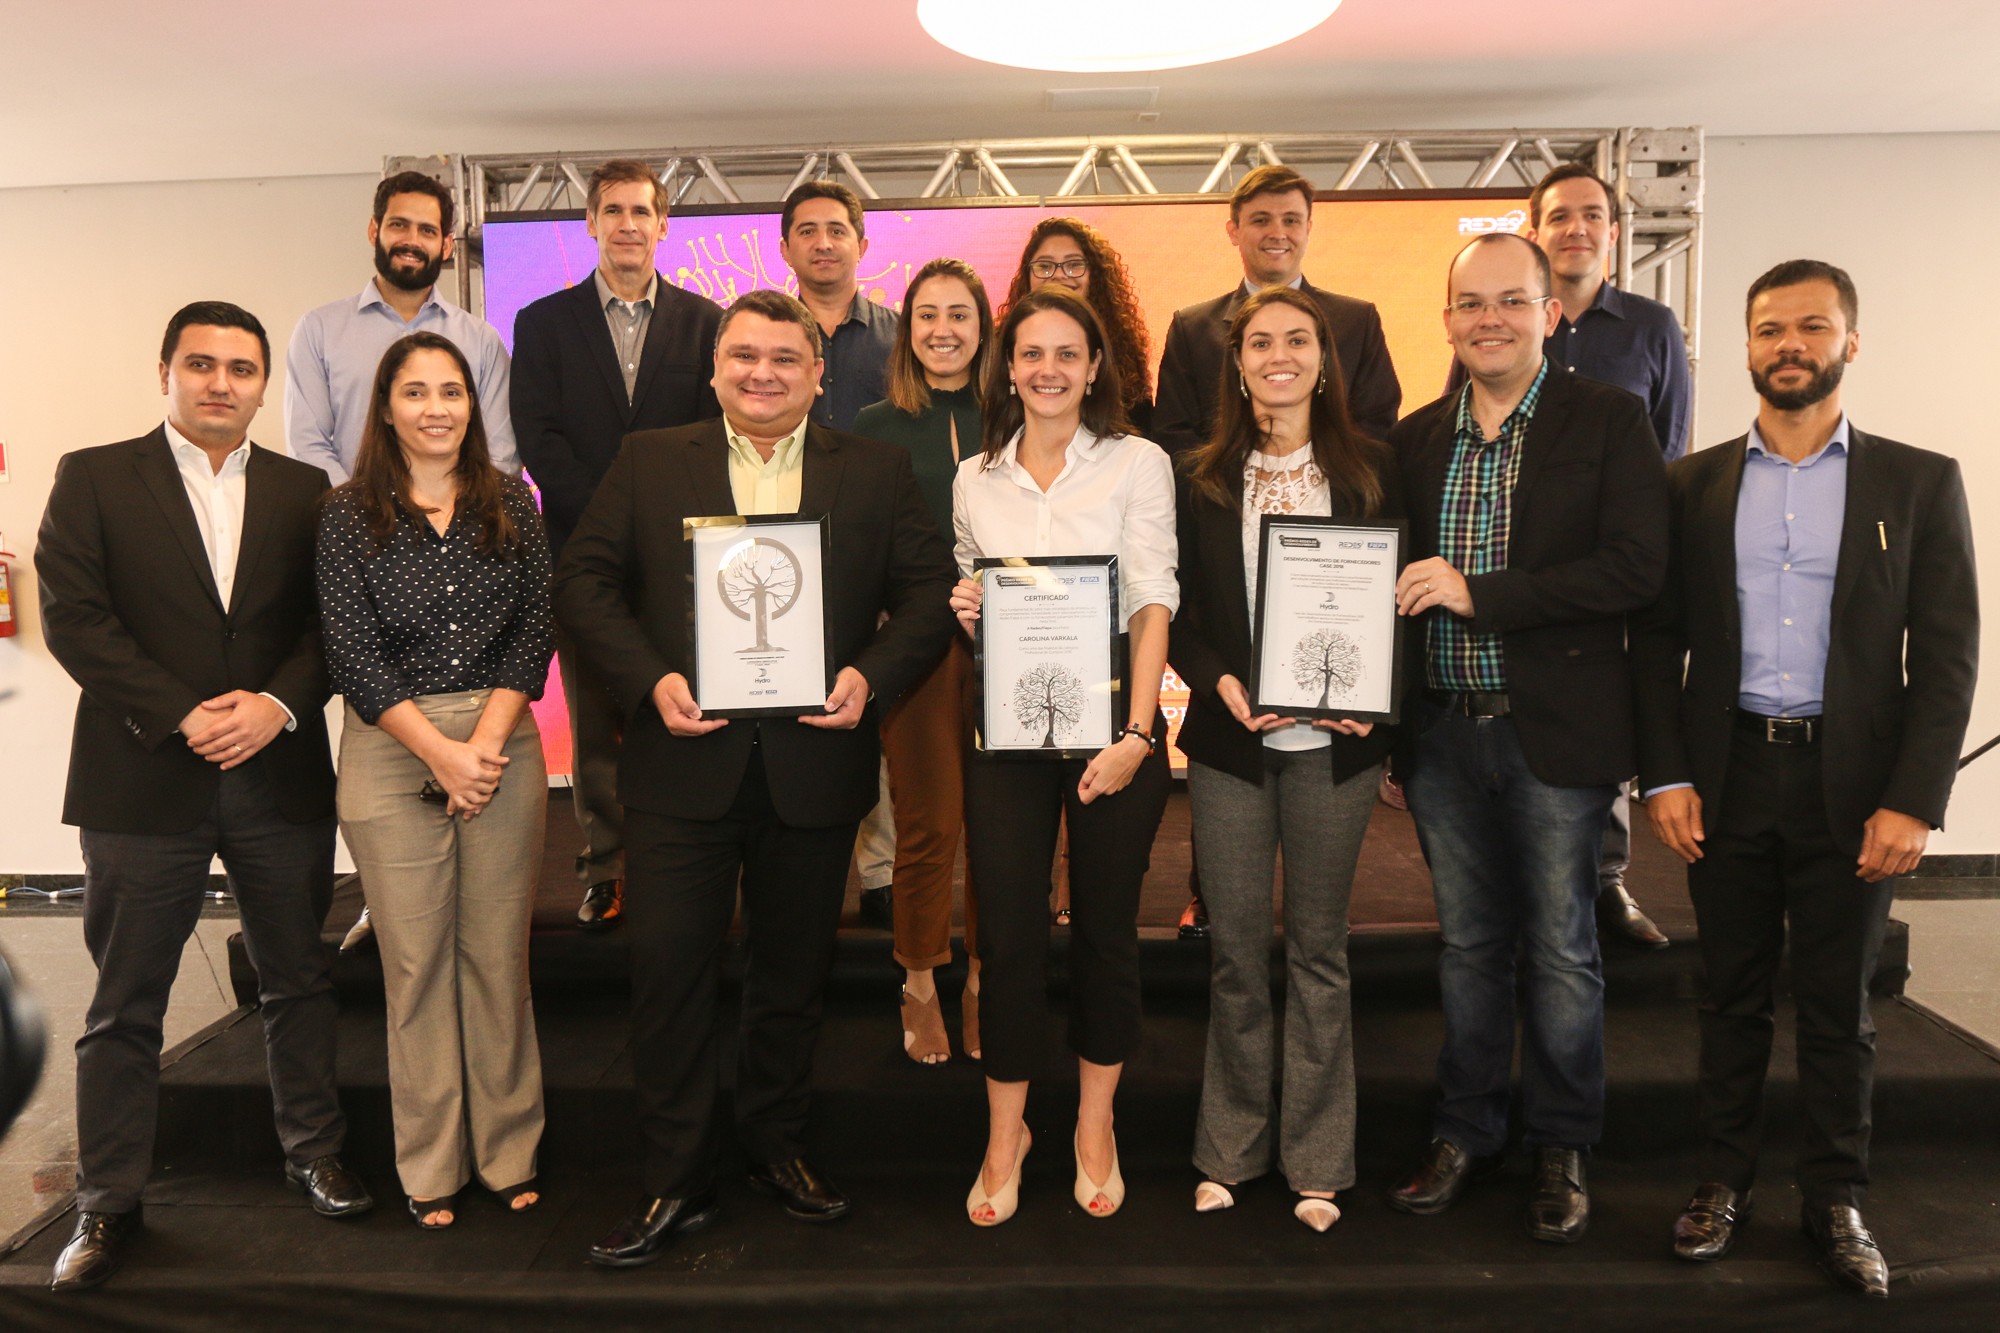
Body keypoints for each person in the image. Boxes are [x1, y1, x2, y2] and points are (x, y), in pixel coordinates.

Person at [556, 289, 957, 1267]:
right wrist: (650, 679)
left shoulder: (872, 469)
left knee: (789, 979)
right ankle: (674, 1175)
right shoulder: (651, 460)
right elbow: (583, 581)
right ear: (714, 366)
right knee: (668, 978)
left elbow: (926, 593)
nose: (762, 372)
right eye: (744, 355)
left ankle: (777, 1149)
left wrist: (872, 674)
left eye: (785, 358)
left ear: (820, 374)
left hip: (812, 767)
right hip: (679, 767)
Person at [1633, 261, 1978, 1299]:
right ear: (1742, 347)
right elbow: (1655, 646)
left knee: (1838, 1007)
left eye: (1811, 327)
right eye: (1769, 328)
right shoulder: (1688, 485)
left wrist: (1913, 798)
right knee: (1727, 997)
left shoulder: (1916, 481)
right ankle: (1719, 1181)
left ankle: (1834, 1198)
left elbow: (1947, 654)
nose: (1789, 343)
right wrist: (1665, 774)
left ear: (1848, 343)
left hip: (1855, 790)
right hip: (1726, 777)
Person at [37, 302, 371, 1291]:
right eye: (202, 364)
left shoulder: (307, 490)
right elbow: (76, 619)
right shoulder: (94, 475)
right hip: (143, 779)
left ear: (264, 383)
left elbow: (329, 625)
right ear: (167, 371)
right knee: (124, 1004)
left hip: (278, 777)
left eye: (240, 367)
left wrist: (274, 704)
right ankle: (107, 1205)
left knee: (296, 980)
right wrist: (187, 714)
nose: (221, 382)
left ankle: (313, 1151)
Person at [1382, 234, 1667, 1244]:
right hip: (1444, 740)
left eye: (1510, 300)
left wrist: (1480, 595)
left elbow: (1636, 568)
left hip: (1556, 737)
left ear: (1550, 311)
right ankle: (1465, 1131)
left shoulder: (1607, 419)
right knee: (1467, 949)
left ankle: (1559, 1144)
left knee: (1558, 949)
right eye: (1468, 303)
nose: (1487, 319)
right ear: (1446, 318)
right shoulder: (1415, 439)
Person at [1170, 287, 1403, 1232]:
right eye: (1259, 341)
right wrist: (1219, 680)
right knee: (1233, 954)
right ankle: (1228, 1149)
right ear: (1236, 362)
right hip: (1232, 743)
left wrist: (1374, 705)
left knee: (1318, 951)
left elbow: (1399, 604)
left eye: (1297, 339)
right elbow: (1176, 609)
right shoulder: (1200, 475)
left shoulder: (1377, 471)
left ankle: (1316, 1159)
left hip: (1336, 749)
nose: (1278, 354)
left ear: (1323, 356)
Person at [316, 331, 553, 1230]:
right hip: (391, 745)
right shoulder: (346, 513)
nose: (437, 408)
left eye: (451, 391)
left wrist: (482, 746)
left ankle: (509, 1149)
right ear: (386, 408)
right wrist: (441, 755)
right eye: (415, 393)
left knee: (497, 957)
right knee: (415, 965)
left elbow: (537, 627)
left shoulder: (512, 503)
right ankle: (432, 1163)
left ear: (471, 404)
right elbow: (352, 653)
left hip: (500, 740)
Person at [952, 286, 1177, 1227]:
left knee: (1105, 934)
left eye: (1067, 354)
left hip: (1112, 735)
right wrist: (967, 608)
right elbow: (975, 589)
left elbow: (1152, 599)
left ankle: (1093, 1125)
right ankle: (1008, 1133)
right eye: (1031, 353)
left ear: (1094, 369)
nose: (1048, 370)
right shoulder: (974, 477)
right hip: (1004, 736)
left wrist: (1136, 733)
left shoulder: (1137, 461)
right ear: (1010, 368)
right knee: (1004, 936)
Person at [1444, 163, 1695, 949]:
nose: (1577, 227)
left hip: (1594, 590)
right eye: (1560, 216)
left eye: (1593, 214)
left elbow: (1671, 454)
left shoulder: (1650, 327)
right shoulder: (1469, 373)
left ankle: (1610, 881)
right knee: (1478, 936)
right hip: (1483, 650)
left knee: (1564, 938)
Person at [511, 158, 724, 932]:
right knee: (596, 726)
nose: (628, 223)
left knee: (686, 720)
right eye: (613, 210)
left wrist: (655, 517)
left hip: (683, 562)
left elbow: (713, 436)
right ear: (592, 224)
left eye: (642, 210)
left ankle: (681, 866)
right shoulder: (543, 323)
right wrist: (612, 518)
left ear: (664, 225)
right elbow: (538, 435)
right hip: (584, 559)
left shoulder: (709, 323)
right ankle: (604, 869)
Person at [852, 259, 992, 1064]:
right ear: (908, 329)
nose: (944, 329)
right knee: (929, 819)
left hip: (1013, 642)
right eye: (928, 315)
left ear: (984, 327)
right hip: (916, 646)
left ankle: (985, 977)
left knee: (1004, 827)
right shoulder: (872, 424)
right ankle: (920, 978)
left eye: (960, 315)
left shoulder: (1015, 415)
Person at [777, 179, 903, 924]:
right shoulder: (758, 335)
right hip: (779, 561)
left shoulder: (899, 337)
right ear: (785, 245)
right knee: (798, 717)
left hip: (868, 555)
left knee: (870, 712)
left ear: (863, 241)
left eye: (838, 229)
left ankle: (880, 871)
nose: (824, 242)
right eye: (808, 230)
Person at [287, 171, 518, 485]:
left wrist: (453, 520)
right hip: (354, 526)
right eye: (399, 225)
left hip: (460, 527)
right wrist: (357, 514)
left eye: (427, 230)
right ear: (374, 230)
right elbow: (306, 444)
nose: (412, 240)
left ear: (447, 245)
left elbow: (499, 451)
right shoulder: (319, 331)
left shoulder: (482, 341)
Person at [1155, 164, 1402, 453]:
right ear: (1233, 231)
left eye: (1291, 220)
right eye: (1261, 220)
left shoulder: (1358, 322)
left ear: (1308, 229)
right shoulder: (1191, 328)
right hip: (1224, 494)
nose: (1278, 233)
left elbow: (1377, 426)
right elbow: (1174, 435)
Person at [1003, 216, 1155, 435]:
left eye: (1074, 265)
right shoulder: (1005, 342)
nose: (1058, 275)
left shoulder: (1124, 352)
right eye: (1044, 266)